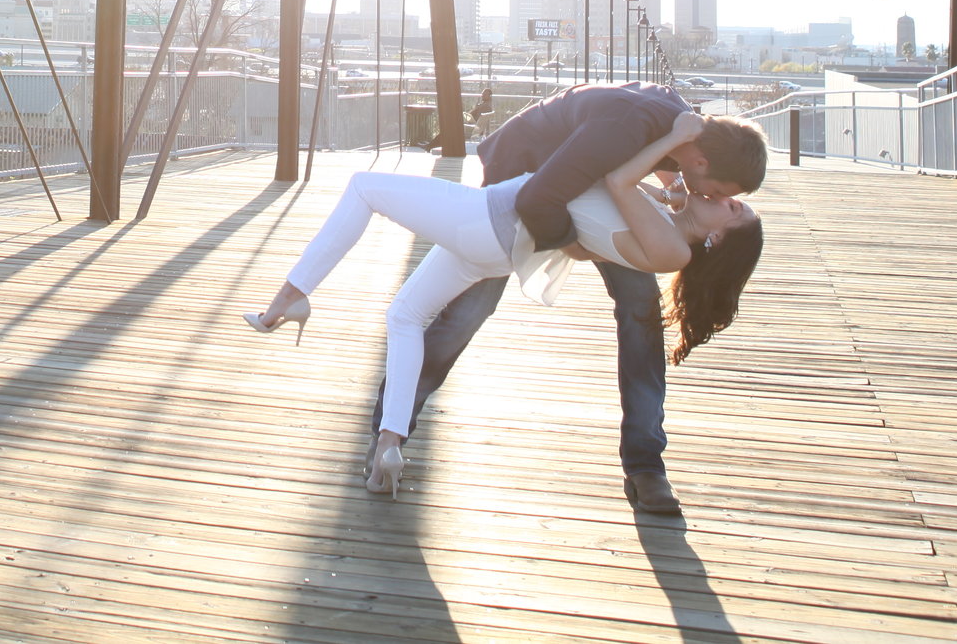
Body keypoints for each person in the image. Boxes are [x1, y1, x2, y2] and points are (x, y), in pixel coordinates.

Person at [243, 107, 762, 498]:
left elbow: (617, 178)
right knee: (406, 315)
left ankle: (289, 298)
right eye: (728, 194)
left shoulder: (672, 249)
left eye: (732, 207)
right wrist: (679, 188)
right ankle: (389, 445)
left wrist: (674, 138)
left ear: (718, 241)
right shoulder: (667, 227)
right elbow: (602, 226)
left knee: (363, 187)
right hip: (499, 249)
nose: (722, 198)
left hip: (487, 218)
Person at [395, 81, 766, 514]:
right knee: (470, 309)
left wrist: (670, 190)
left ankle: (645, 464)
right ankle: (392, 427)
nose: (711, 198)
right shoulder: (628, 128)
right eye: (720, 192)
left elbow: (650, 172)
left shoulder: (688, 133)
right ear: (700, 162)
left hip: (590, 192)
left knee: (640, 313)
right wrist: (572, 244)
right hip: (526, 177)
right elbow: (540, 200)